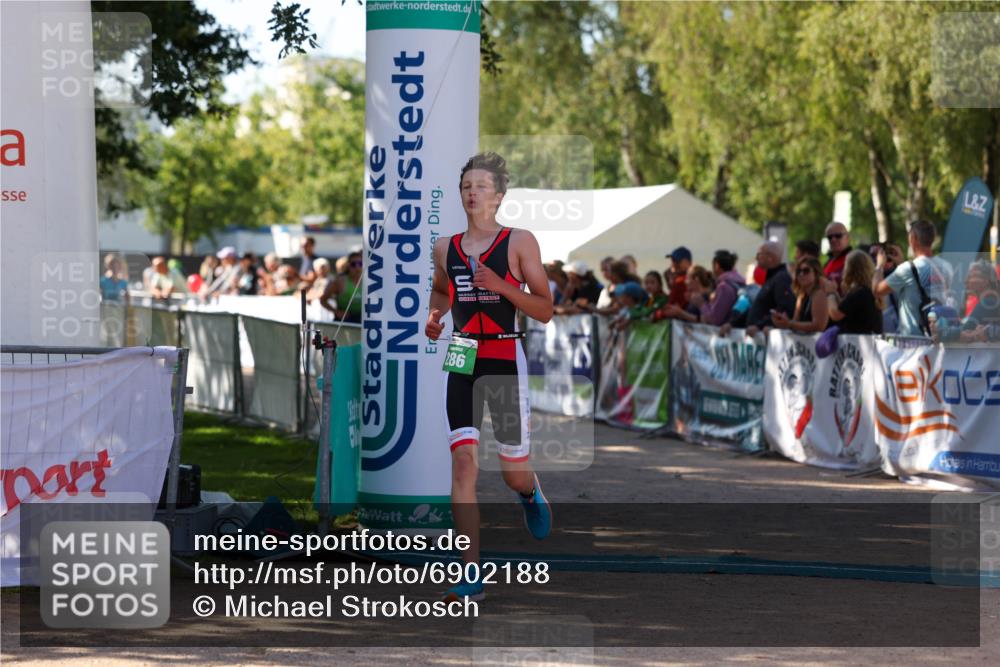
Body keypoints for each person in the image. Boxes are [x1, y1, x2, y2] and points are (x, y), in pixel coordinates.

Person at [425, 152, 553, 603]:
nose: (472, 192)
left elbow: (545, 309)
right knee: (463, 463)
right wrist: (435, 317)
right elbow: (442, 288)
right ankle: (470, 573)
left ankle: (529, 491)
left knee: (511, 474)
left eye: (481, 186)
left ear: (498, 196)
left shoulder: (519, 242)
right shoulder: (446, 246)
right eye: (466, 186)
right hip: (462, 353)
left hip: (504, 352)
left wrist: (500, 286)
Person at [873, 219, 952, 337]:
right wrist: (901, 263)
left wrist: (879, 265)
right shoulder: (946, 267)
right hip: (936, 339)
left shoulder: (907, 269)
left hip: (913, 342)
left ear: (913, 239)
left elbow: (877, 290)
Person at [725, 241, 796, 337]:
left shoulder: (781, 278)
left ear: (770, 258)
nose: (756, 258)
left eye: (759, 254)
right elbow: (757, 308)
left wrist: (760, 326)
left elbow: (784, 309)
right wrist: (732, 324)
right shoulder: (772, 278)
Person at [934, 260, 1000, 343]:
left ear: (985, 281)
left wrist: (939, 333)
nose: (966, 281)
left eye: (971, 276)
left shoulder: (988, 303)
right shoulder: (991, 301)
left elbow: (966, 330)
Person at [825, 250, 883, 335]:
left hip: (860, 345)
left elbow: (835, 314)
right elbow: (844, 307)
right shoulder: (867, 290)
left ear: (850, 269)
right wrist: (834, 292)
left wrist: (829, 293)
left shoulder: (860, 292)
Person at [772, 257, 829, 333]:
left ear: (816, 273)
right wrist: (784, 321)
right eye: (798, 271)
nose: (801, 274)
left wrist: (789, 323)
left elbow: (818, 326)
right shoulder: (801, 296)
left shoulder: (819, 293)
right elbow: (795, 322)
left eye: (806, 271)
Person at [700, 250, 744, 326]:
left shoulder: (724, 287)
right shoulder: (738, 281)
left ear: (717, 266)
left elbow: (715, 319)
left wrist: (701, 304)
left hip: (726, 334)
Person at [323, 251, 363, 323]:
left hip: (362, 320)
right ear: (348, 266)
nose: (357, 267)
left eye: (360, 264)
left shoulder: (368, 281)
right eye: (353, 264)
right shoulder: (339, 281)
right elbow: (322, 300)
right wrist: (337, 312)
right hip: (345, 321)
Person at [823, 221, 852, 288]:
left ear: (847, 237)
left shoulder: (854, 260)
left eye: (838, 236)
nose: (833, 239)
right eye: (829, 237)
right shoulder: (827, 263)